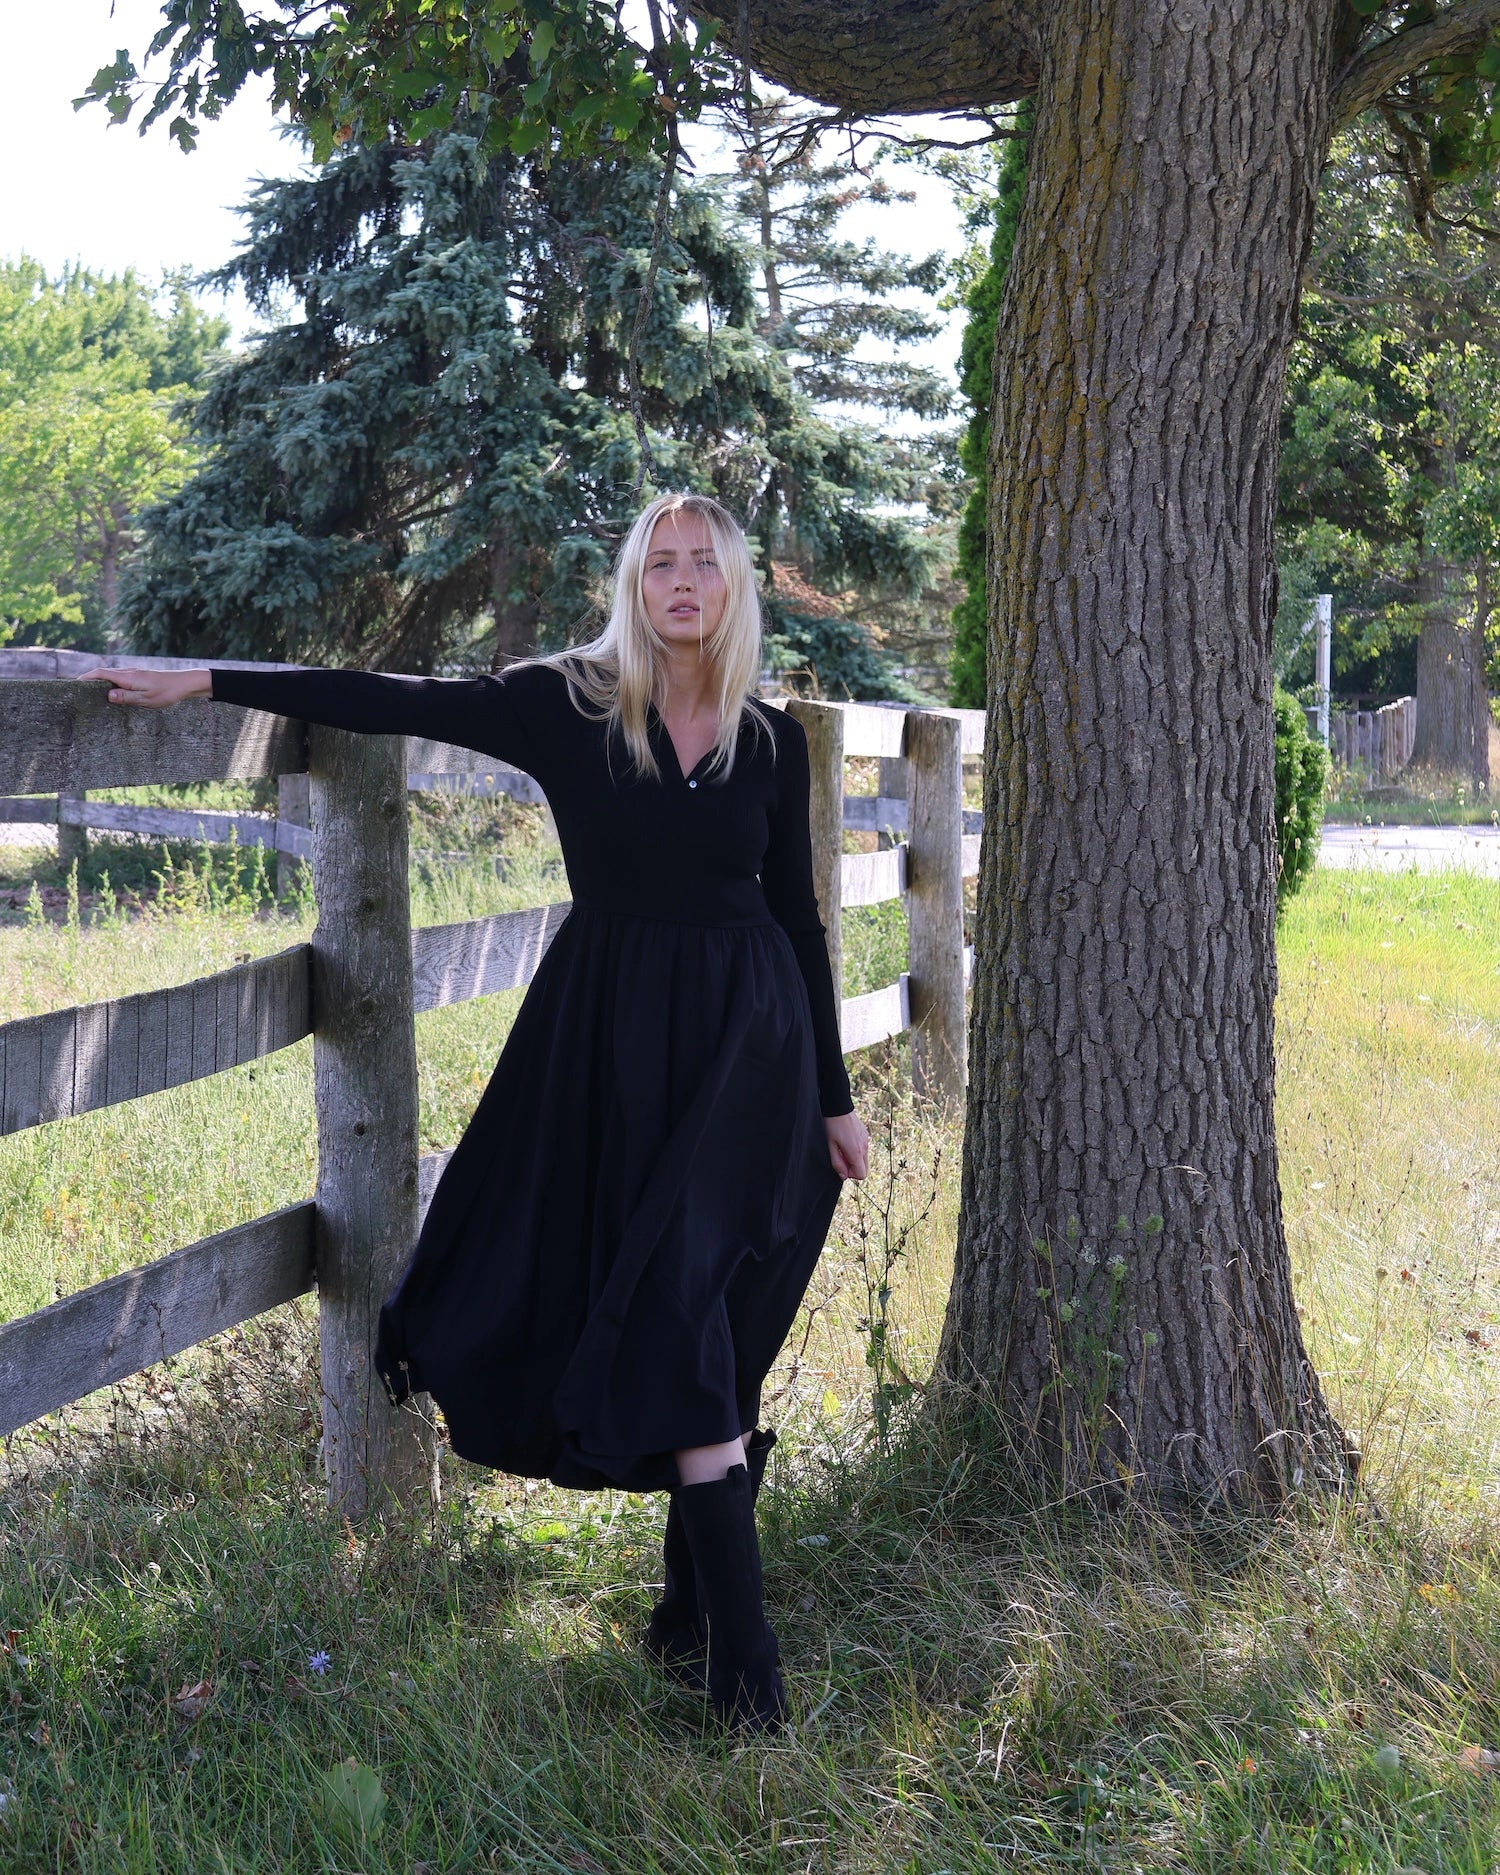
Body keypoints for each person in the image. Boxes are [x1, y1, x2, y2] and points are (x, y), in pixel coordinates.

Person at [90, 492, 870, 1734]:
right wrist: (211, 679)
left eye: (704, 566)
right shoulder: (568, 705)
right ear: (634, 585)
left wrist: (833, 1099)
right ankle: (727, 1654)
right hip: (610, 1053)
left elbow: (798, 919)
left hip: (749, 1064)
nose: (682, 583)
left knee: (707, 1309)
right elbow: (392, 698)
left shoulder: (772, 742)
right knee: (673, 1307)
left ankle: (714, 1642)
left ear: (735, 589)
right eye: (660, 565)